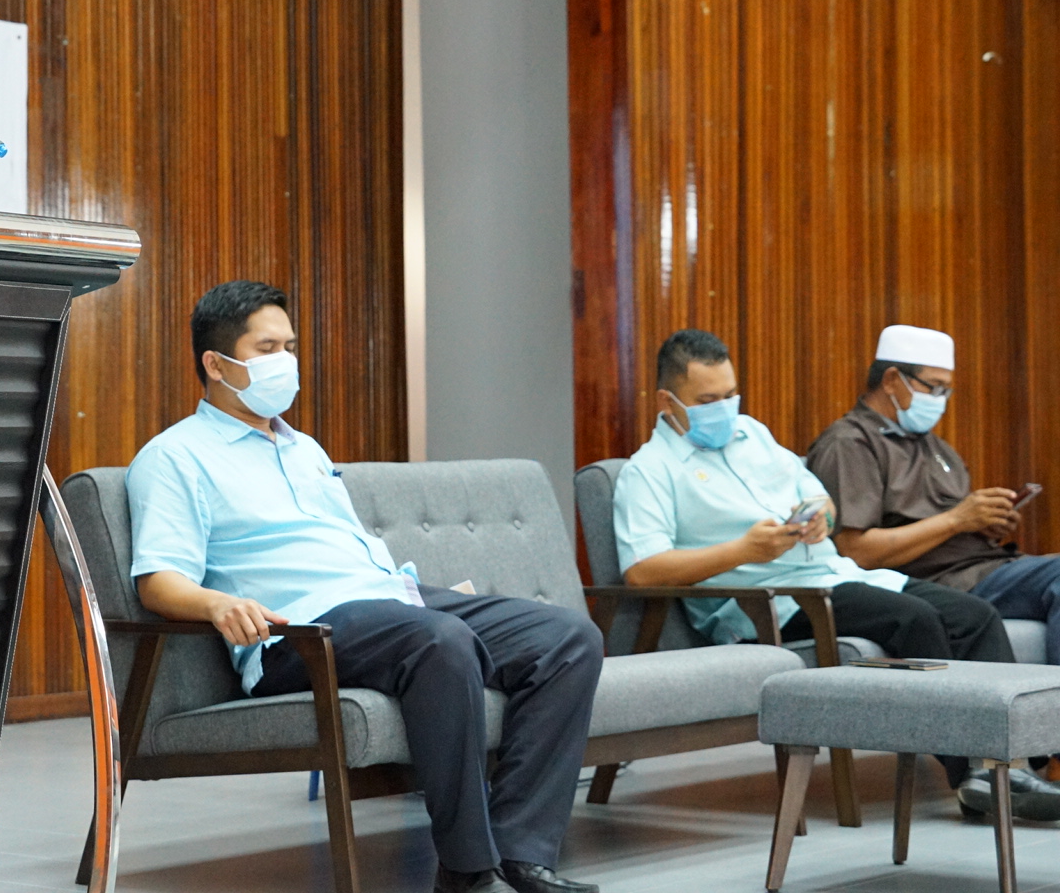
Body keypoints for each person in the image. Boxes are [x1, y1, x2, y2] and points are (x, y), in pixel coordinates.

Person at [126, 281, 603, 893]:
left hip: (392, 605)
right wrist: (217, 602)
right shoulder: (174, 457)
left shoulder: (302, 448)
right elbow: (158, 581)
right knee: (439, 639)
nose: (285, 362)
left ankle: (523, 851)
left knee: (566, 637)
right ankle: (467, 870)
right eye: (266, 349)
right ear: (216, 365)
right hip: (298, 632)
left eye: (289, 347)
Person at [613, 330, 1018, 789]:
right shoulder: (649, 471)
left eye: (730, 395)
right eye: (708, 401)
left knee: (975, 615)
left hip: (834, 574)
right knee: (915, 619)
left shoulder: (753, 435)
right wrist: (744, 550)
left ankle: (1016, 764)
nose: (724, 409)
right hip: (770, 602)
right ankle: (978, 780)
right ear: (667, 401)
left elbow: (818, 496)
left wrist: (821, 517)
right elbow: (642, 571)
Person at [807, 324, 1060, 817]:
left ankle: (1029, 757)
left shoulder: (936, 449)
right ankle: (1045, 749)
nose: (940, 400)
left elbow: (952, 526)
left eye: (947, 390)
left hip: (987, 564)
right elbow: (853, 550)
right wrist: (957, 520)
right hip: (934, 583)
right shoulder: (849, 444)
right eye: (933, 387)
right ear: (893, 380)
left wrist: (984, 523)